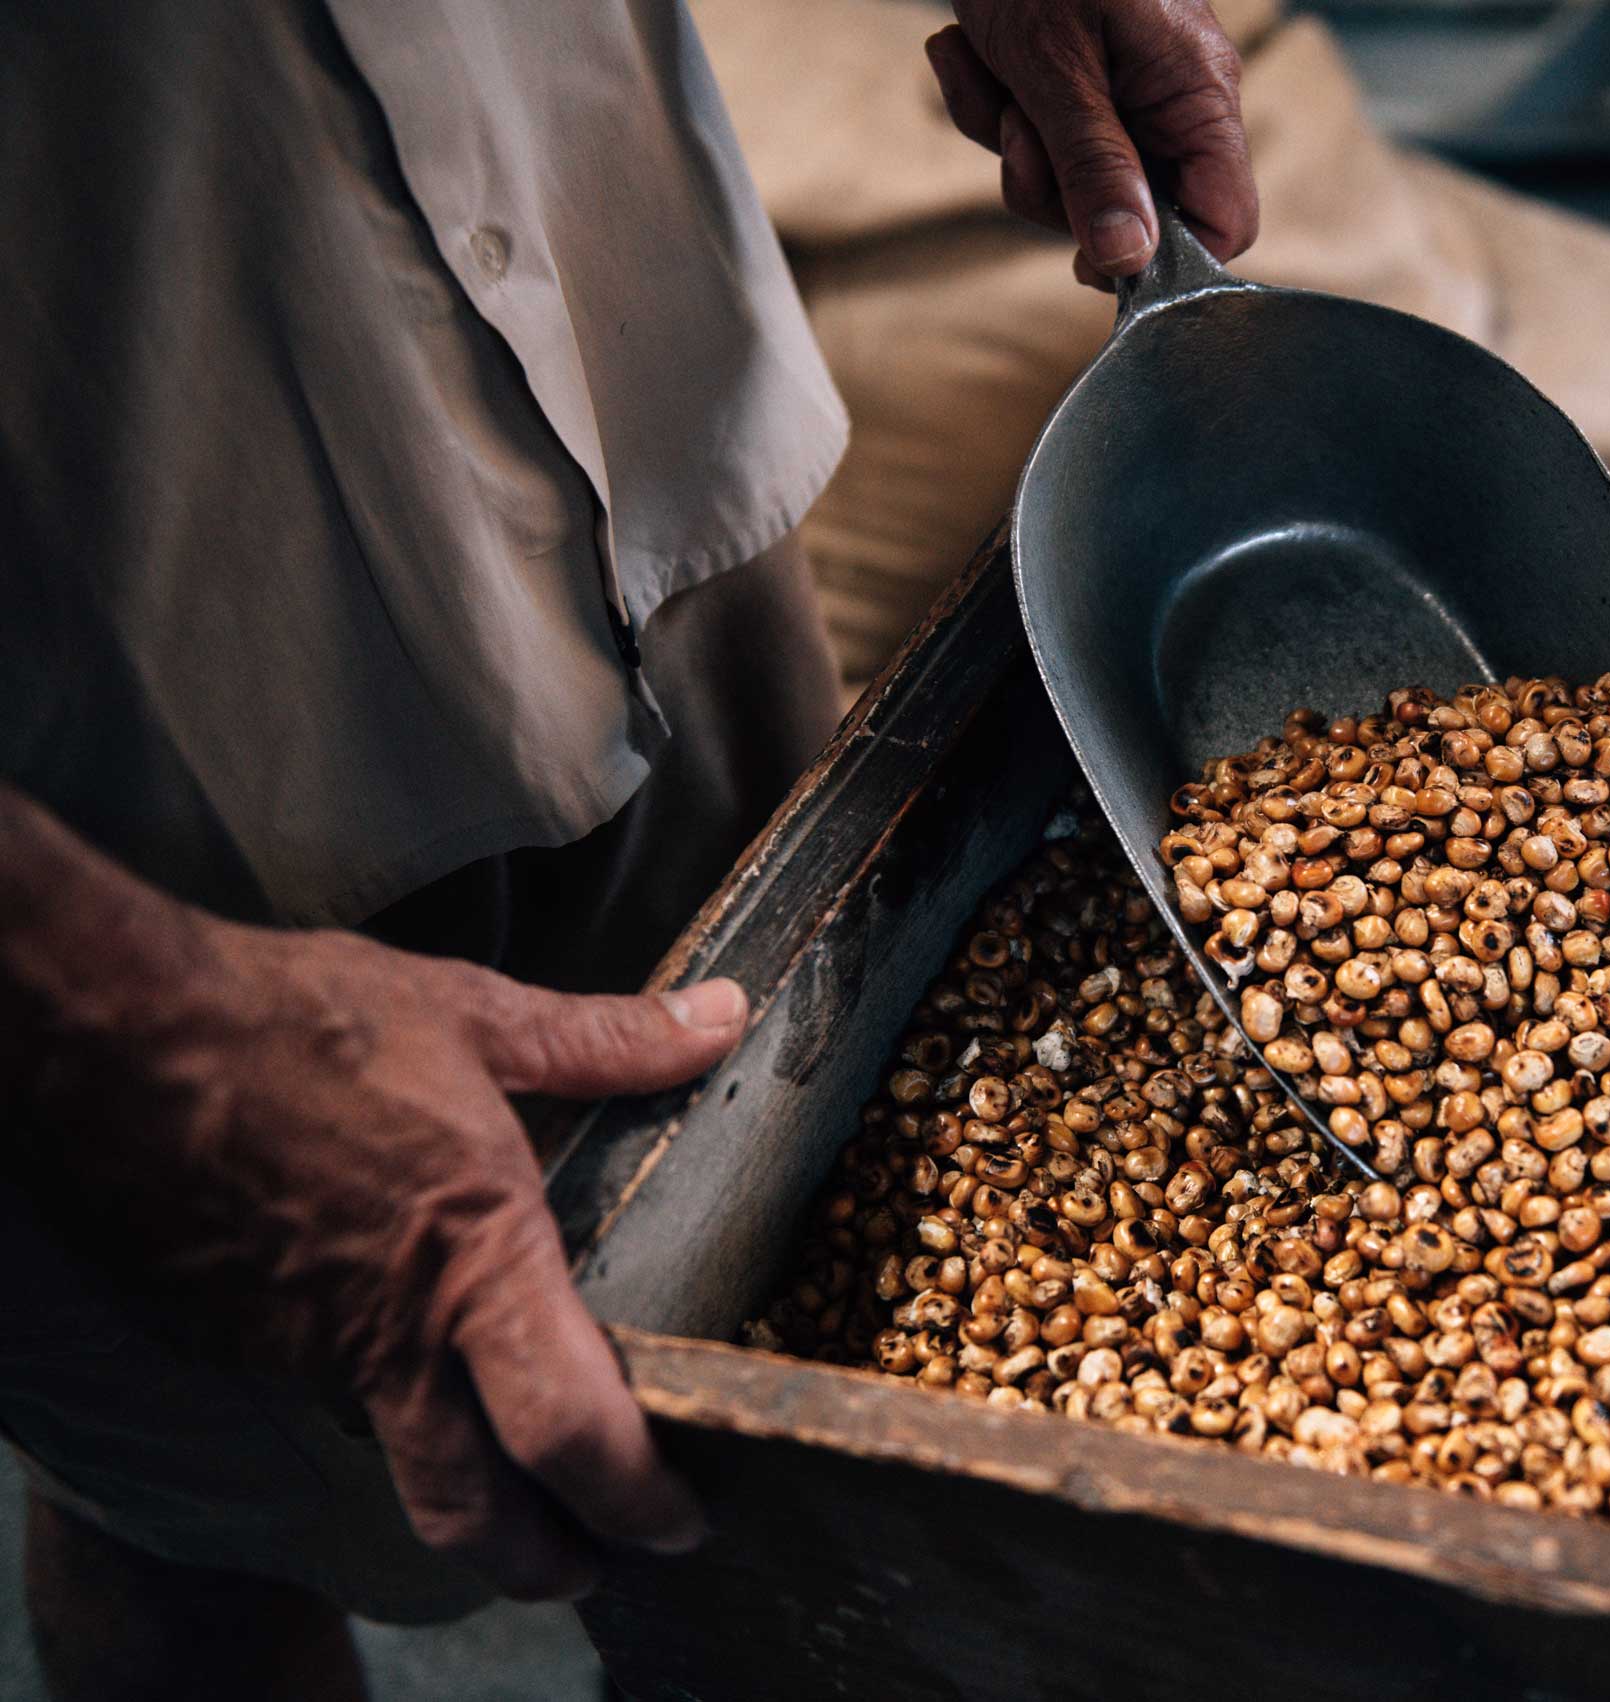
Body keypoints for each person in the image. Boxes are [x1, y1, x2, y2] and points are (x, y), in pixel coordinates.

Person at [0, 2, 1260, 1697]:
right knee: (204, 1497)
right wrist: (125, 1027)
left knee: (765, 1285)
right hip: (125, 694)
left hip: (621, 341)